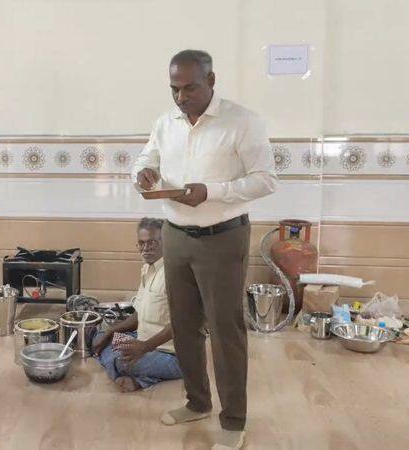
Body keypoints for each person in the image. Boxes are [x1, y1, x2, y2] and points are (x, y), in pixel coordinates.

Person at [132, 49, 278, 450]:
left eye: (190, 88)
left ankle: (233, 420)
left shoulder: (242, 122)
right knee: (183, 324)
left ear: (211, 81)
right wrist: (141, 173)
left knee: (225, 330)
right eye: (175, 89)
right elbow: (146, 159)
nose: (181, 97)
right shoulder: (165, 123)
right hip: (174, 235)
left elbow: (266, 180)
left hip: (223, 237)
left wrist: (211, 193)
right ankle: (196, 402)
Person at [92, 218, 182, 392]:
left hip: (172, 356)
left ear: (166, 242)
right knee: (99, 337)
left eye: (152, 243)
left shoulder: (175, 273)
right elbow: (139, 314)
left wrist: (145, 347)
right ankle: (142, 377)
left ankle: (141, 379)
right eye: (141, 243)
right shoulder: (147, 269)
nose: (146, 249)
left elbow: (181, 325)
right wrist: (112, 331)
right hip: (140, 341)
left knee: (121, 361)